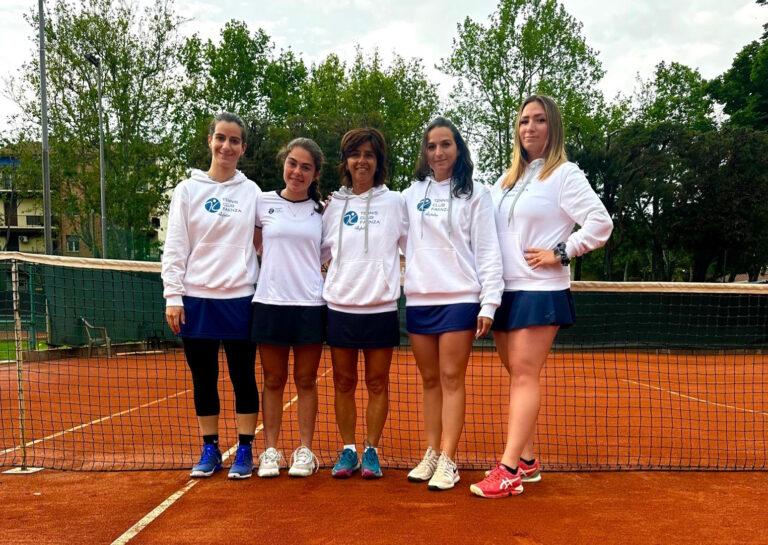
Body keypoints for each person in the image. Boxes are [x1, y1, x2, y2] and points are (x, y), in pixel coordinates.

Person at [470, 95, 613, 498]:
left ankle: (508, 469)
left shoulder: (565, 175)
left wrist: (562, 252)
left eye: (539, 120)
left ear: (553, 128)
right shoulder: (504, 181)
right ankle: (528, 460)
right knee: (517, 375)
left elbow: (601, 223)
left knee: (524, 375)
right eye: (523, 121)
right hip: (504, 290)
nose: (529, 127)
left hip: (540, 289)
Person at [402, 117, 503, 491]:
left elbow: (488, 249)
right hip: (419, 299)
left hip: (460, 298)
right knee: (429, 380)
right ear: (425, 152)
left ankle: (448, 459)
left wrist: (489, 302)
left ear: (458, 149)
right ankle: (431, 452)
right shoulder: (410, 194)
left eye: (445, 144)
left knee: (450, 378)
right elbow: (390, 232)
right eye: (431, 146)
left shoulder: (476, 194)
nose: (438, 152)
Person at [161, 112, 260, 480]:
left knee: (242, 377)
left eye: (234, 140)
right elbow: (176, 245)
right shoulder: (187, 190)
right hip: (196, 299)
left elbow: (270, 232)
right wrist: (173, 295)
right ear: (210, 141)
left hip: (240, 298)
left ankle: (245, 449)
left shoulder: (251, 192)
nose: (226, 146)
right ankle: (210, 448)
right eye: (221, 138)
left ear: (243, 148)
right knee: (203, 378)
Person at [321, 128, 408, 479]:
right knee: (343, 383)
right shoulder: (332, 206)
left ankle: (371, 450)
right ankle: (348, 450)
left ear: (378, 161)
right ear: (345, 161)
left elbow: (413, 246)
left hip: (380, 308)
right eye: (355, 154)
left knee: (377, 383)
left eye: (369, 155)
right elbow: (319, 252)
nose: (362, 161)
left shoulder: (395, 202)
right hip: (340, 307)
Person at [251, 137, 326, 478]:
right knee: (273, 380)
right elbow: (257, 244)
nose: (297, 172)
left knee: (306, 380)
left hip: (310, 304)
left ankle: (305, 450)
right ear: (284, 163)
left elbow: (325, 253)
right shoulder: (263, 202)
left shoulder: (323, 210)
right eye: (292, 163)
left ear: (315, 174)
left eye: (306, 167)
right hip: (270, 302)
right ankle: (270, 450)